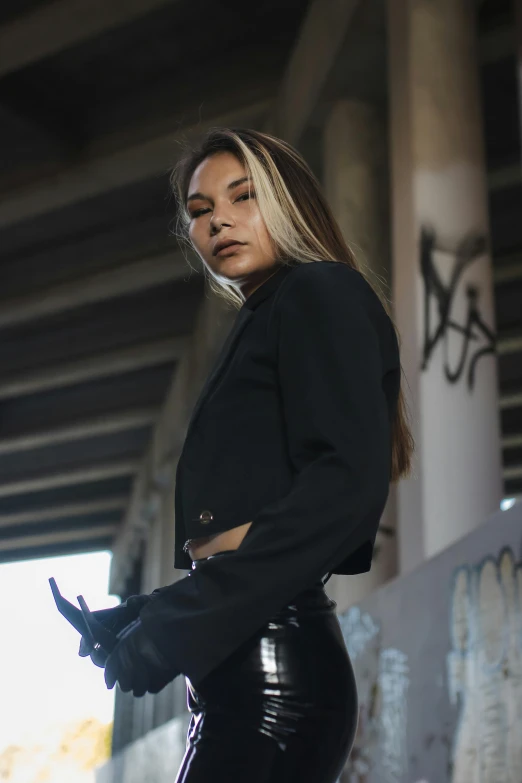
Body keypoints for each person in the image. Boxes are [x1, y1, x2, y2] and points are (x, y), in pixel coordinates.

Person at [79, 127, 414, 782]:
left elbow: (345, 482)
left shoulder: (319, 291)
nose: (218, 221)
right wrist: (145, 613)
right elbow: (258, 512)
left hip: (274, 678)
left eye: (243, 196)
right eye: (201, 211)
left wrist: (179, 622)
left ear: (289, 203)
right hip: (239, 670)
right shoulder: (270, 316)